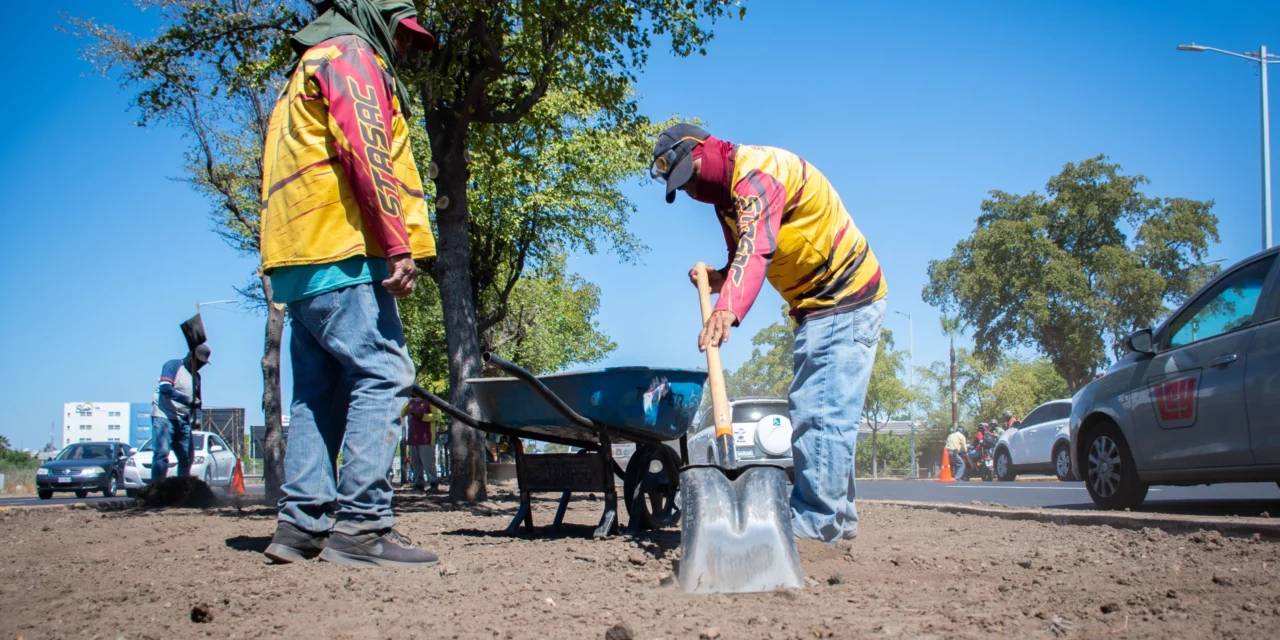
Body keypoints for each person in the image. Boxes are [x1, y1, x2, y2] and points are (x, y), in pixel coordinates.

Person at [259, 0, 439, 568]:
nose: (405, 49)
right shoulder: (353, 55)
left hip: (299, 258)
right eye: (403, 36)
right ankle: (362, 526)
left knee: (318, 392)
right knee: (386, 372)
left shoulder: (306, 66)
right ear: (373, 18)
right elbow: (366, 150)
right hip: (342, 249)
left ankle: (299, 527)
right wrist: (397, 242)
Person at [650, 124, 888, 543]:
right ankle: (838, 521)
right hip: (817, 306)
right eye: (681, 188)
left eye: (690, 177)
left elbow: (756, 248)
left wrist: (727, 309)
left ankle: (816, 524)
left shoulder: (756, 175)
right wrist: (719, 279)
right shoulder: (727, 200)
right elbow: (741, 255)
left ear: (705, 149)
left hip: (843, 295)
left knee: (819, 411)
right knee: (824, 408)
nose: (691, 192)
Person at [149, 345, 210, 482]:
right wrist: (187, 400)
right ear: (190, 358)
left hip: (183, 421)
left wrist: (197, 418)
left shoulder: (196, 377)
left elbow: (198, 401)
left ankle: (182, 488)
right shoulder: (173, 366)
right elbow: (165, 388)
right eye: (198, 362)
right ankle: (157, 488)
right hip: (164, 416)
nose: (200, 366)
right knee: (162, 453)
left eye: (203, 364)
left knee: (187, 457)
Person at [402, 397, 439, 492]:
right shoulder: (409, 402)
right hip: (413, 438)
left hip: (427, 438)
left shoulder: (430, 401)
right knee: (415, 463)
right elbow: (401, 413)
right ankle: (419, 484)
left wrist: (423, 416)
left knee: (428, 463)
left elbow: (437, 416)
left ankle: (433, 483)